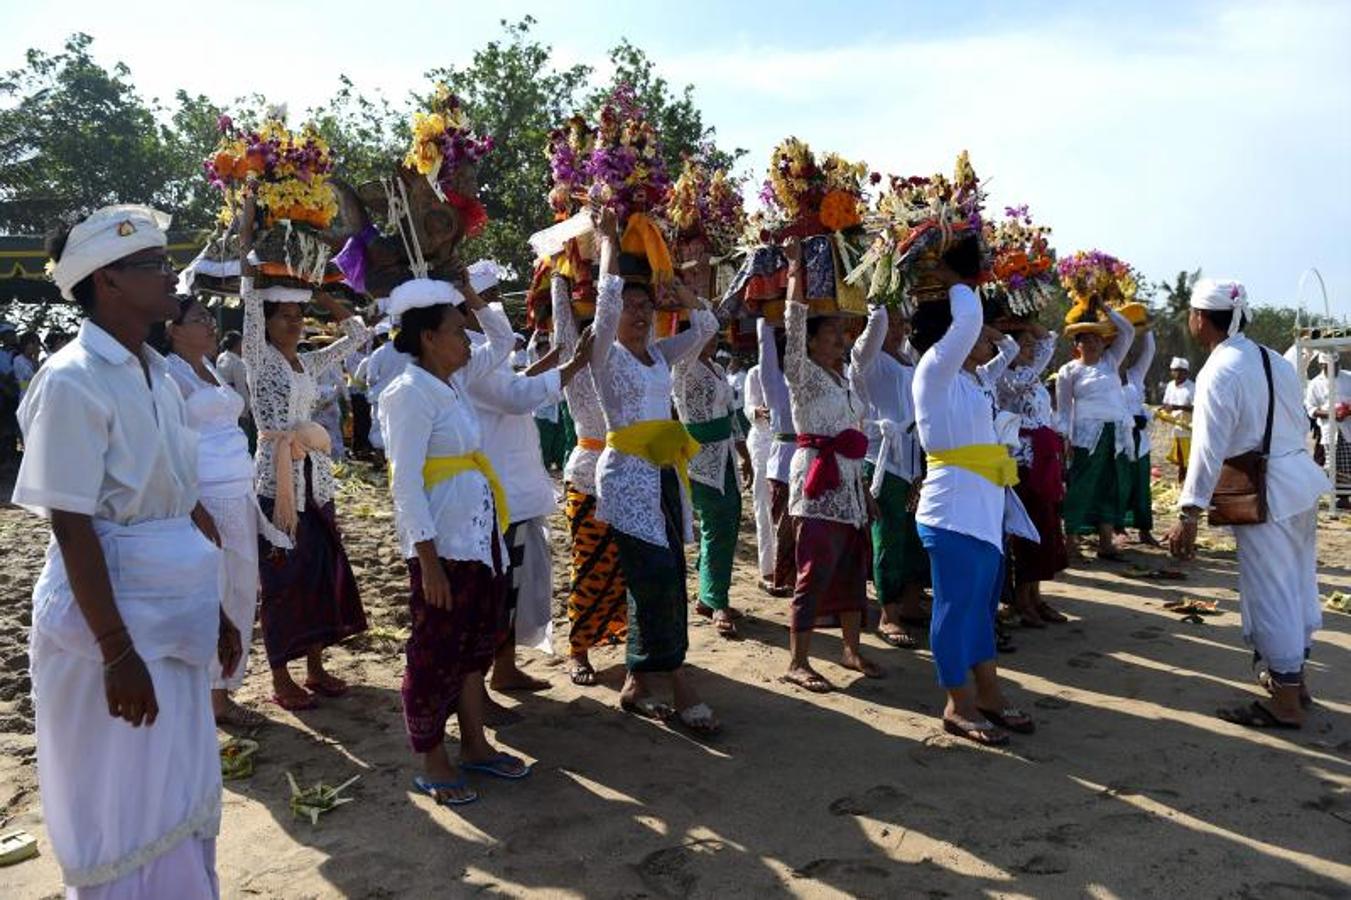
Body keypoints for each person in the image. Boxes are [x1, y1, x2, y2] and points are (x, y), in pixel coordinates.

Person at [18, 205, 239, 896]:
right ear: (106, 282)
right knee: (123, 803)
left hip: (174, 617)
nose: (170, 274)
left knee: (176, 788)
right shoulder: (72, 378)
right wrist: (115, 650)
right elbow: (73, 525)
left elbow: (178, 503)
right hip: (113, 631)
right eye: (151, 265)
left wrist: (218, 614)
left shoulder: (156, 373)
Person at [379, 276, 532, 806]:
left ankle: (475, 745)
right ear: (426, 337)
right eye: (456, 329)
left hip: (478, 539)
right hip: (443, 546)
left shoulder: (452, 386)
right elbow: (404, 481)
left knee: (472, 648)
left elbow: (503, 340)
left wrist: (469, 294)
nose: (467, 338)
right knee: (435, 652)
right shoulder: (407, 393)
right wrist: (428, 562)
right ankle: (431, 755)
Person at [1167, 279, 1329, 729]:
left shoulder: (1220, 370)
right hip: (1298, 483)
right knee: (1296, 585)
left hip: (1268, 493)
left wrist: (1188, 512)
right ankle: (1296, 682)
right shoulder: (1274, 360)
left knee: (1272, 591)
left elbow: (1207, 447)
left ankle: (1285, 702)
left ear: (1200, 318)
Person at [589, 207, 720, 733]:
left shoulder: (662, 355)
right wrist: (606, 243)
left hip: (664, 475)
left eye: (645, 305)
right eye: (629, 305)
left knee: (661, 579)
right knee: (656, 578)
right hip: (625, 478)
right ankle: (678, 678)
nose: (639, 313)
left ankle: (639, 681)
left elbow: (707, 323)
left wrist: (675, 287)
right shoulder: (606, 354)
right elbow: (601, 309)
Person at [240, 205, 370, 711]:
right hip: (277, 478)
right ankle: (280, 676)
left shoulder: (307, 360)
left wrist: (323, 297)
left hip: (316, 478)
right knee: (282, 578)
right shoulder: (257, 355)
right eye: (286, 315)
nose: (294, 323)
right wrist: (250, 239)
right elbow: (251, 294)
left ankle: (315, 666)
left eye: (298, 316)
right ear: (267, 321)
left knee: (317, 571)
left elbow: (359, 337)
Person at [911, 239, 1039, 746]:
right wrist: (957, 277)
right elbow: (965, 323)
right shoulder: (935, 373)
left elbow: (1008, 349)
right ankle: (957, 703)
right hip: (951, 513)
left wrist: (997, 330)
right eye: (973, 332)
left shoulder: (973, 380)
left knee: (981, 609)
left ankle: (989, 693)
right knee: (954, 607)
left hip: (983, 512)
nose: (986, 338)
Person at [462, 265, 595, 695]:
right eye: (489, 296)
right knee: (498, 591)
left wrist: (554, 360)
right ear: (468, 306)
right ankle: (482, 685)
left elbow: (515, 383)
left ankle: (505, 669)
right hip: (498, 492)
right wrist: (575, 364)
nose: (498, 303)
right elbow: (514, 397)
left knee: (514, 588)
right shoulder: (463, 350)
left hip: (515, 487)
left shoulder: (481, 346)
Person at [161, 295, 290, 727]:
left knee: (239, 589)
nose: (209, 325)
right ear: (173, 329)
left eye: (207, 318)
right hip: (206, 497)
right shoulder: (167, 375)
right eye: (197, 319)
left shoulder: (212, 369)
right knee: (211, 591)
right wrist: (192, 503)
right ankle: (209, 695)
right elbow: (168, 448)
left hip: (239, 492)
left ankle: (222, 690)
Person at [779, 236, 882, 692]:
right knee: (813, 571)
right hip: (816, 483)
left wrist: (864, 493)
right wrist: (796, 269)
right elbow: (793, 319)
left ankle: (851, 649)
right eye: (834, 333)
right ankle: (798, 661)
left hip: (849, 485)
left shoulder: (846, 378)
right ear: (812, 341)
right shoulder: (799, 372)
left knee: (851, 568)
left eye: (844, 333)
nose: (842, 339)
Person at [553, 269, 628, 687]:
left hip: (631, 474)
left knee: (626, 567)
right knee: (589, 566)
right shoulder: (575, 362)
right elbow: (567, 325)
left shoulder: (627, 363)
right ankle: (578, 650)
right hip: (587, 474)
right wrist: (561, 277)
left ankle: (622, 635)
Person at [850, 304, 927, 648]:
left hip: (913, 456)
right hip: (882, 459)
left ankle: (910, 599)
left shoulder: (909, 356)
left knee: (913, 532)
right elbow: (878, 320)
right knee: (888, 536)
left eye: (902, 321)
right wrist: (884, 283)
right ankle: (887, 612)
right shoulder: (864, 357)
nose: (898, 327)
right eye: (892, 321)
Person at [672, 330, 752, 638]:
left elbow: (731, 415)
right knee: (715, 522)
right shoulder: (682, 365)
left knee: (729, 521)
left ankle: (709, 594)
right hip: (699, 458)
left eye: (715, 335)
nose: (713, 340)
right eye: (705, 334)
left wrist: (744, 453)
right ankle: (717, 600)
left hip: (726, 455)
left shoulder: (717, 369)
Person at [996, 322, 1068, 627]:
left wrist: (1024, 320)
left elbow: (1047, 340)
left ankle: (1036, 596)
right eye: (1022, 345)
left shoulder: (1033, 377)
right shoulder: (1004, 377)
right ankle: (1021, 600)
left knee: (1046, 526)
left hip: (1042, 460)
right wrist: (1009, 334)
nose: (1030, 350)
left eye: (1029, 345)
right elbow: (1046, 347)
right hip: (1020, 463)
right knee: (1025, 531)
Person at [1056, 301, 1136, 559]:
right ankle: (1070, 540)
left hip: (1117, 434)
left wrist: (1107, 309)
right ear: (1076, 346)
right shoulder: (1068, 371)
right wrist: (1065, 438)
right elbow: (1064, 409)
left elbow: (1129, 332)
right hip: (1086, 437)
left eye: (1096, 339)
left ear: (1104, 344)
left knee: (1111, 485)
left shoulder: (1111, 362)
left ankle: (1106, 542)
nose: (1091, 344)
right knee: (1081, 486)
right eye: (1085, 340)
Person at [757, 317, 797, 596]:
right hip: (784, 462)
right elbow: (765, 350)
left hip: (814, 462)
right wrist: (765, 319)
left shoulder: (811, 379)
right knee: (784, 528)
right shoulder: (775, 382)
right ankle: (788, 580)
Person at [1122, 328, 1158, 544]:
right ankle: (1117, 529)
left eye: (1126, 353)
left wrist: (1146, 328)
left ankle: (1144, 530)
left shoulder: (1135, 376)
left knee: (1141, 484)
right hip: (1117, 439)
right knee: (1119, 484)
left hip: (1140, 440)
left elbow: (1149, 350)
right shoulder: (1105, 374)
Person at [742, 362, 777, 586]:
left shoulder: (795, 368)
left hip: (790, 442)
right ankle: (768, 568)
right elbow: (748, 408)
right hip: (763, 440)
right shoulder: (755, 372)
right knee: (765, 502)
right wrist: (758, 411)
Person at [1304, 352, 1351, 509]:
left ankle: (1344, 498)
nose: (1334, 370)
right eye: (1330, 367)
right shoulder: (1315, 384)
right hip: (1328, 429)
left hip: (1348, 428)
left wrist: (1347, 410)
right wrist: (1331, 414)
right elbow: (1310, 408)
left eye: (1336, 366)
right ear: (1321, 365)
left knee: (1346, 464)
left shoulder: (1348, 377)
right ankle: (1331, 497)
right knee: (1329, 465)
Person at [362, 322, 409, 458]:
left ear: (378, 337)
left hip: (381, 395)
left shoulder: (378, 353)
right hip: (403, 394)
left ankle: (380, 455)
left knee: (379, 425)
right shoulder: (406, 352)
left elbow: (371, 378)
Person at [528, 331, 568, 472]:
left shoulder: (557, 364)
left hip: (558, 407)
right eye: (544, 349)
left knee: (560, 438)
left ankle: (558, 462)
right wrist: (538, 330)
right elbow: (530, 349)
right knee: (544, 439)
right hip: (542, 410)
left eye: (548, 348)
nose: (547, 352)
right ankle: (543, 466)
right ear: (537, 351)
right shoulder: (535, 364)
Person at [1161, 357, 1195, 483]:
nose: (1178, 373)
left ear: (1187, 372)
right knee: (1180, 457)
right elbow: (1166, 403)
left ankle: (1188, 481)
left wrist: (1176, 407)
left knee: (1188, 458)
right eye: (1175, 370)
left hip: (1188, 428)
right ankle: (1181, 480)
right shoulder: (1170, 386)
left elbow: (1195, 407)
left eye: (1181, 371)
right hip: (1175, 427)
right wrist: (1163, 410)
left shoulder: (1192, 387)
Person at [13, 331, 41, 400]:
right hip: (25, 398)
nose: (35, 346)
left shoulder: (37, 361)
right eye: (32, 343)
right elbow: (22, 384)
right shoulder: (18, 360)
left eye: (37, 344)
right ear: (25, 344)